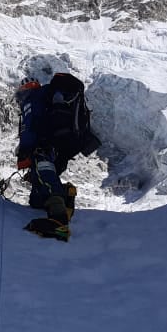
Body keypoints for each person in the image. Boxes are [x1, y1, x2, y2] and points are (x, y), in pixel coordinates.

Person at [14, 72, 100, 241]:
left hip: (43, 147)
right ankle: (67, 195)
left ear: (24, 89)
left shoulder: (32, 99)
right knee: (37, 198)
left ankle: (58, 220)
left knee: (46, 177)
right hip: (59, 147)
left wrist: (24, 151)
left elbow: (31, 128)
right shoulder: (49, 97)